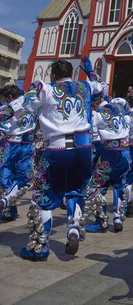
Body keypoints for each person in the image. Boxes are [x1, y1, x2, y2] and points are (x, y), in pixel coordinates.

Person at [9, 57, 104, 261]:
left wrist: (5, 112)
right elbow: (102, 88)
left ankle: (41, 246)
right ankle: (73, 229)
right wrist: (91, 73)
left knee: (44, 195)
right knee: (76, 190)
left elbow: (23, 104)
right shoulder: (85, 87)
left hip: (57, 147)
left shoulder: (46, 88)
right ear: (71, 74)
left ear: (53, 75)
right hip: (84, 147)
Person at [85, 95, 131, 233]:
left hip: (109, 152)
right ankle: (118, 217)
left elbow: (90, 130)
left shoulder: (98, 114)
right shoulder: (121, 112)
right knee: (119, 184)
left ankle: (101, 221)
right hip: (125, 152)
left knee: (97, 186)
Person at [0, 85, 36, 222]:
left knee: (5, 175)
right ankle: (10, 207)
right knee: (24, 175)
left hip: (10, 144)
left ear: (9, 97)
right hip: (28, 143)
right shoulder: (31, 103)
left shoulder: (9, 107)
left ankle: (8, 205)